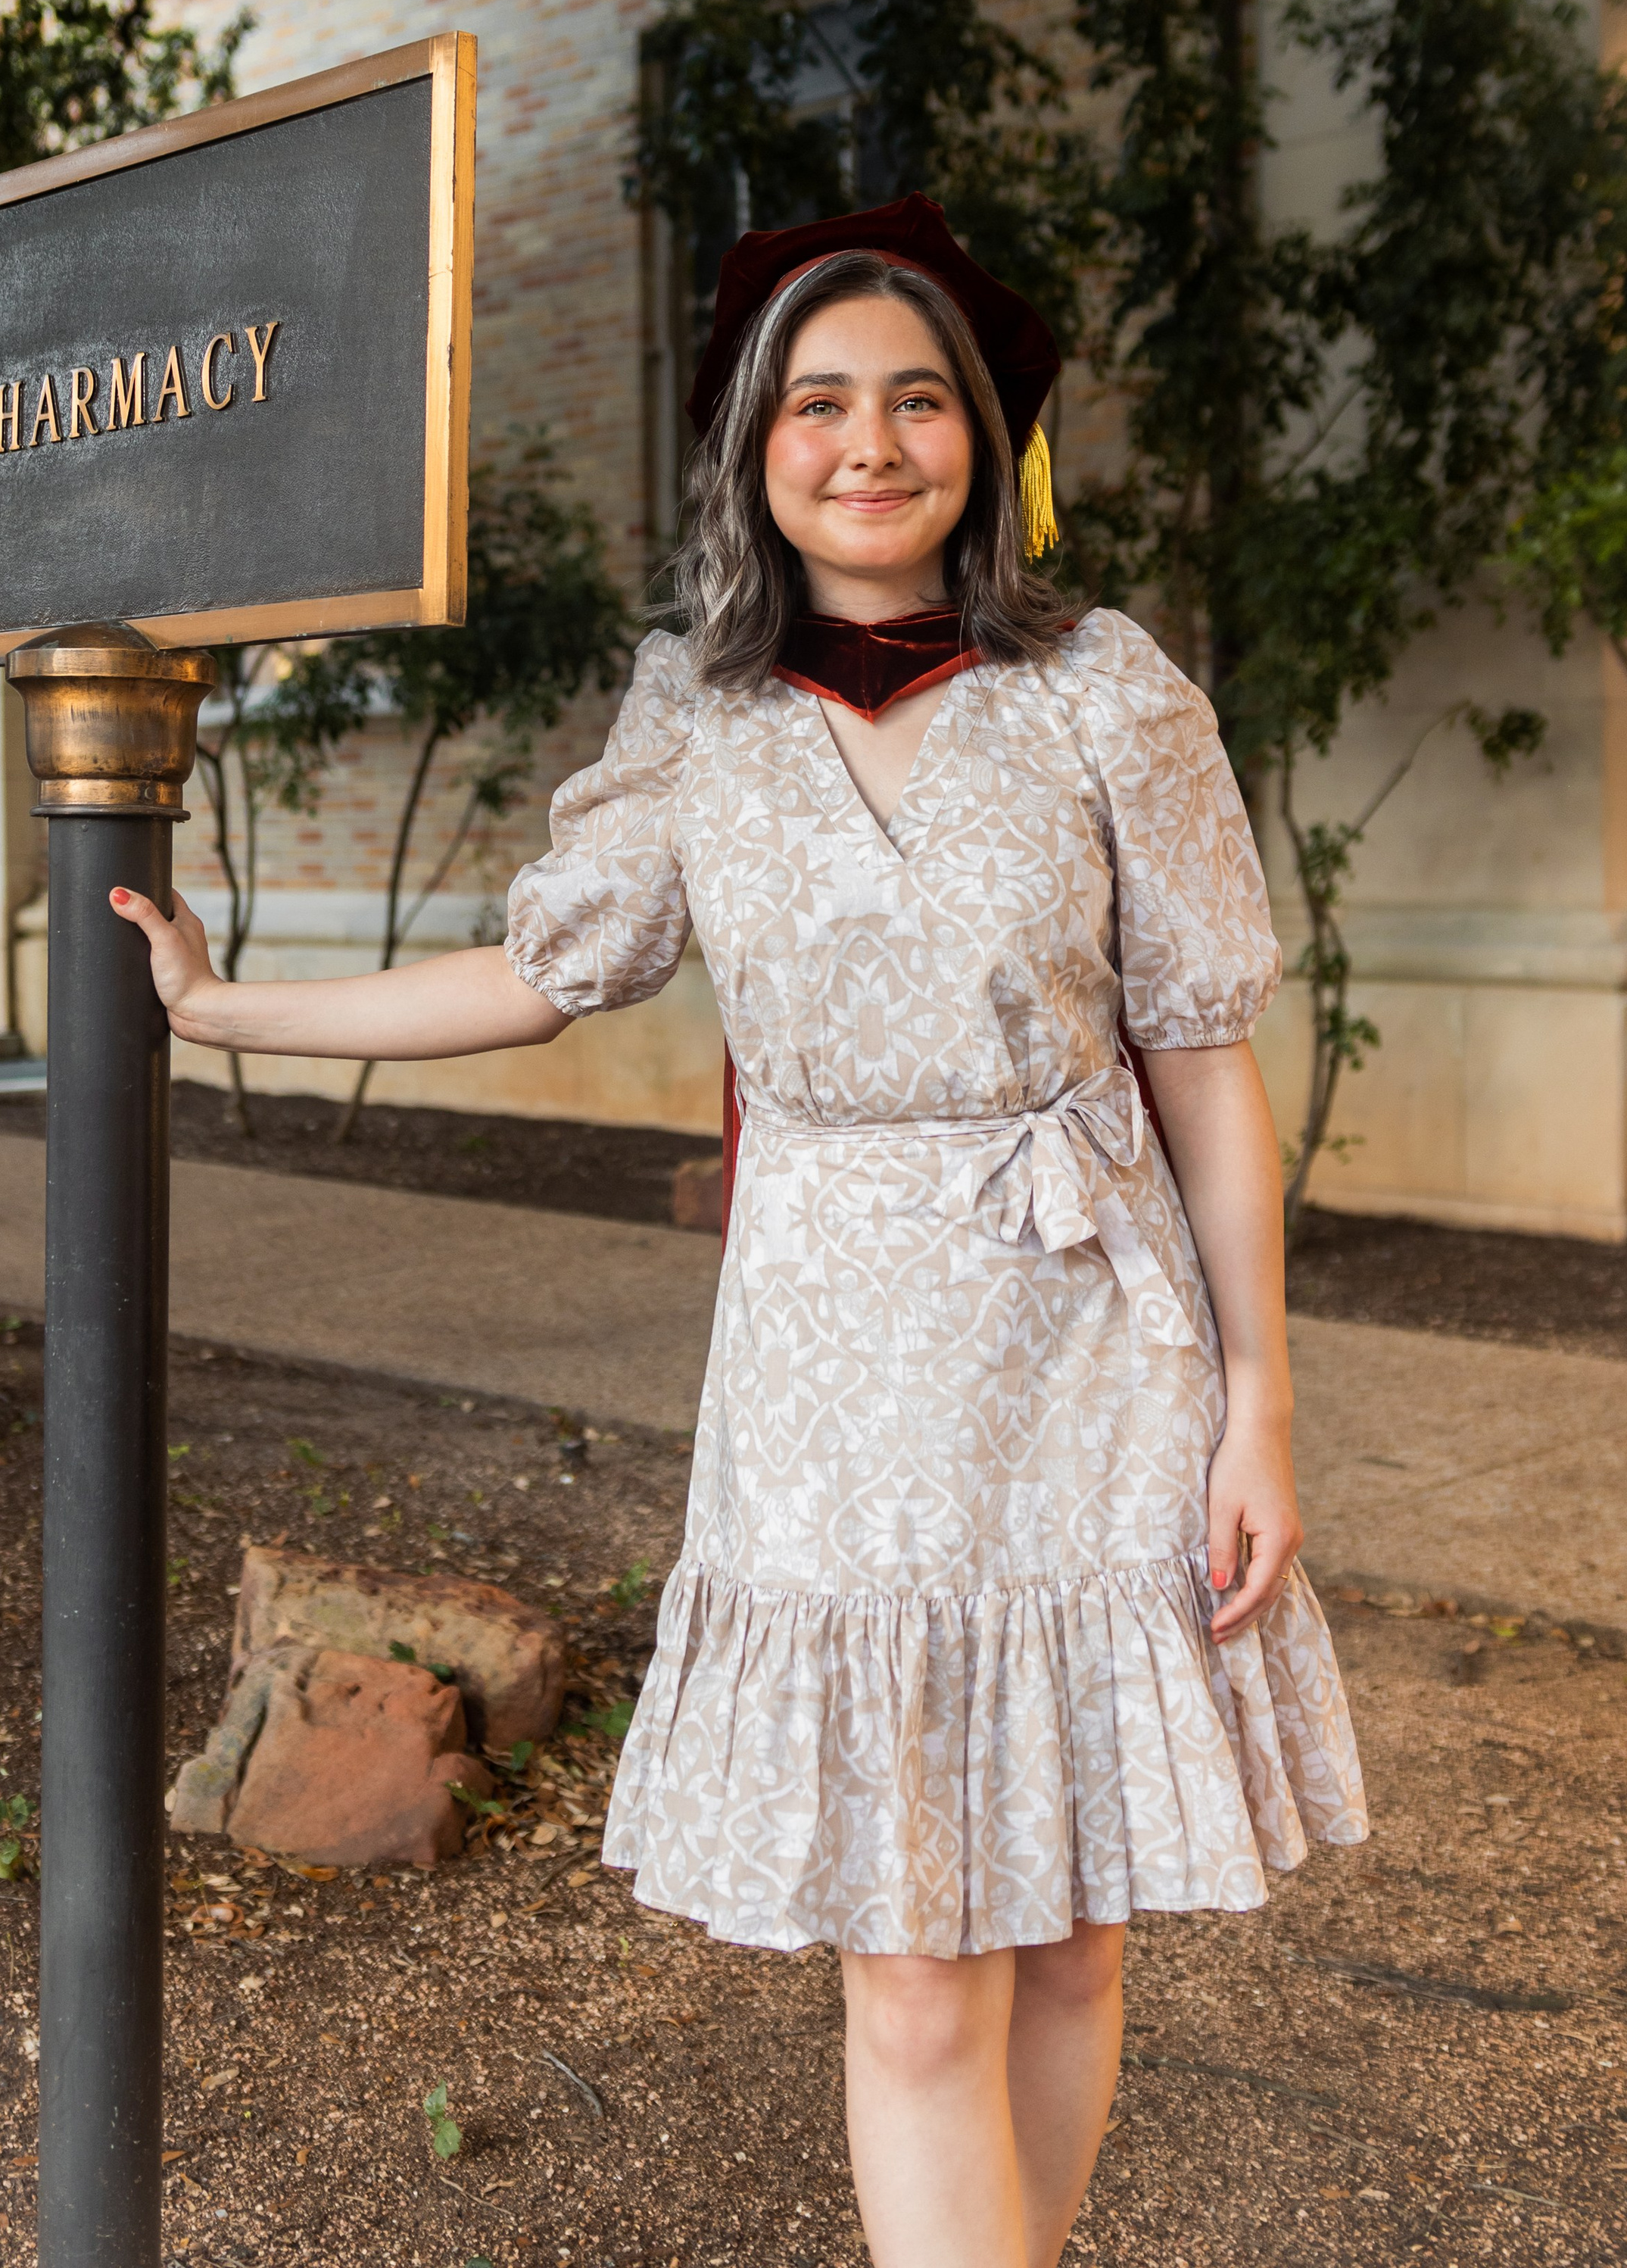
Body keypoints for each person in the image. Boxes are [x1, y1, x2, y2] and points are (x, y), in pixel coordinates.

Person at [114, 196, 1367, 2268]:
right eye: (818, 403)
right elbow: (540, 974)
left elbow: (1204, 1064)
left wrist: (1261, 1406)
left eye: (916, 400)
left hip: (1089, 1353)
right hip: (834, 1389)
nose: (869, 443)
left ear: (983, 437)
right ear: (753, 447)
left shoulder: (1102, 694)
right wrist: (228, 1007)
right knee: (914, 1967)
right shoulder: (699, 721)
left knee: (1071, 1931)